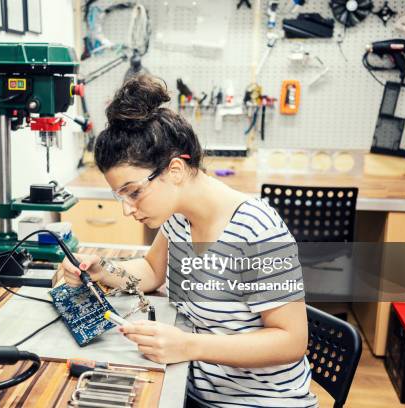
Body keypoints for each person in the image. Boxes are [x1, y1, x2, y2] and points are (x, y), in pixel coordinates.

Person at [62, 74, 317, 407]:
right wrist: (102, 271)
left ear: (175, 170)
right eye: (120, 196)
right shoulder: (179, 217)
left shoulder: (256, 231)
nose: (127, 209)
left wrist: (188, 346)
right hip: (191, 389)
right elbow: (153, 272)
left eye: (134, 192)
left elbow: (291, 342)